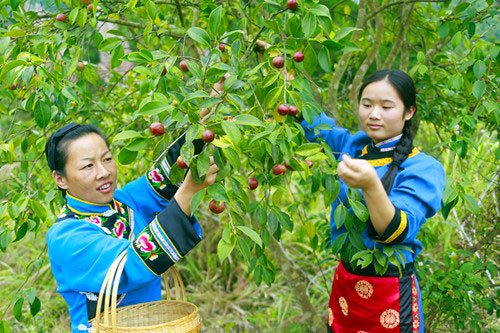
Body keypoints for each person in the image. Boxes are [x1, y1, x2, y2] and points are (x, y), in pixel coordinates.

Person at [300, 69, 445, 332]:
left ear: (409, 112)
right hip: (346, 283)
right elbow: (312, 121)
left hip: (389, 290)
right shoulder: (353, 147)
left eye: (386, 106)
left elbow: (396, 230)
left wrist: (370, 185)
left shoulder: (422, 168)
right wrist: (287, 78)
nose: (373, 114)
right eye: (366, 104)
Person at [44, 123, 218, 332]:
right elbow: (131, 262)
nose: (104, 172)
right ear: (60, 179)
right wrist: (189, 192)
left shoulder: (124, 201)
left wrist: (201, 126)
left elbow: (165, 177)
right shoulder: (66, 237)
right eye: (88, 166)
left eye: (107, 159)